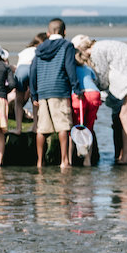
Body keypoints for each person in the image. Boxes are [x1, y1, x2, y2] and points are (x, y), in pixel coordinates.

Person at [71, 34, 127, 165]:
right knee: (123, 116)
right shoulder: (103, 46)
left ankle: (126, 159)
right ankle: (124, 156)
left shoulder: (97, 51)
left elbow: (103, 80)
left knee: (126, 117)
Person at [31, 18, 80, 168]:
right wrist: (76, 88)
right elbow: (70, 68)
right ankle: (64, 161)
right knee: (63, 127)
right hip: (59, 90)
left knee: (42, 129)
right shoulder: (67, 46)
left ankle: (40, 162)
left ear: (48, 33)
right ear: (64, 32)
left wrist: (34, 94)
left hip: (43, 91)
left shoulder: (39, 49)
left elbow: (33, 71)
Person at [70, 40, 103, 166]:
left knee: (74, 128)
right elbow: (94, 79)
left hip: (78, 96)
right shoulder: (88, 68)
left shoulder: (71, 69)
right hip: (94, 94)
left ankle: (69, 159)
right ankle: (87, 160)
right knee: (89, 129)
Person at [10, 33, 47, 134]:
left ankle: (18, 128)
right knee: (35, 100)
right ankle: (35, 126)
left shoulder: (24, 51)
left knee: (18, 101)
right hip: (33, 69)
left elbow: (18, 65)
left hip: (21, 69)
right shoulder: (41, 51)